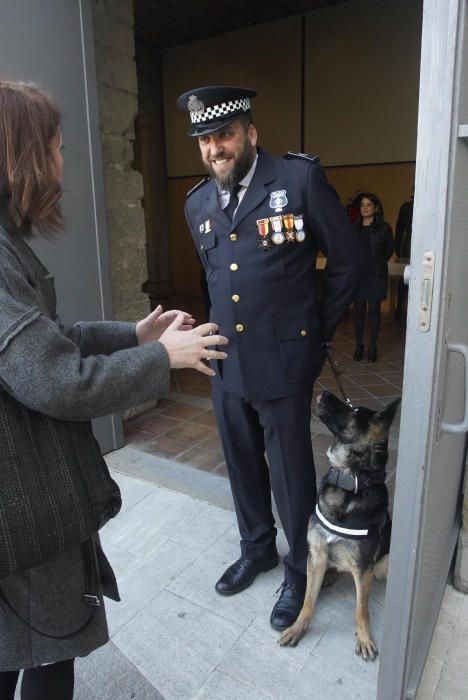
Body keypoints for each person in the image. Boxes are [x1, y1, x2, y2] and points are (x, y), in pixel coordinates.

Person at [0, 79, 228, 700]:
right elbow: (53, 377)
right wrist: (162, 357)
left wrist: (133, 333)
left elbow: (47, 338)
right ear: (22, 155)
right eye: (58, 147)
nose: (63, 162)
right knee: (48, 643)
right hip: (22, 506)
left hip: (21, 499)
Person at [177, 85, 361, 631]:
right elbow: (218, 278)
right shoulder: (197, 204)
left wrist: (312, 335)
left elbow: (347, 262)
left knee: (289, 473)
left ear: (250, 134)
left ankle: (299, 570)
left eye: (225, 135)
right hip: (224, 361)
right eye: (205, 140)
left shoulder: (298, 180)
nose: (215, 149)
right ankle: (257, 547)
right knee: (240, 464)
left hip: (285, 362)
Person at [352, 192, 394, 362]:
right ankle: (359, 345)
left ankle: (372, 346)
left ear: (376, 208)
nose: (365, 208)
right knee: (359, 310)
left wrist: (377, 262)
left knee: (374, 310)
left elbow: (389, 249)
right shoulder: (354, 228)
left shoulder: (384, 228)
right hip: (358, 275)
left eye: (369, 205)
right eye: (362, 205)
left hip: (376, 274)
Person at [393, 186, 414, 321]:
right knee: (404, 280)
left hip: (419, 246)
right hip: (407, 247)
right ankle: (399, 309)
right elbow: (400, 229)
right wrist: (398, 249)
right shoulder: (406, 207)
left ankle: (408, 311)